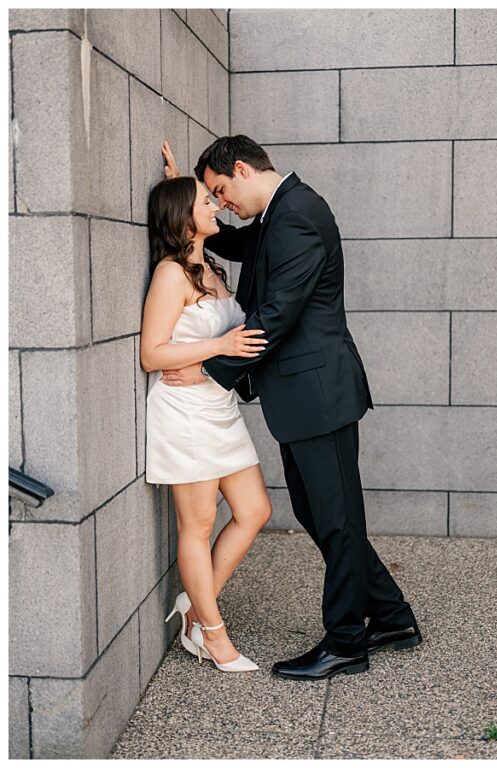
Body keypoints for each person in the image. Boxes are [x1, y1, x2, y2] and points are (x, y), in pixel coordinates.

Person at [159, 137, 420, 681]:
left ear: (241, 168)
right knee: (322, 512)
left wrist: (210, 368)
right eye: (213, 198)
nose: (222, 203)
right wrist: (188, 199)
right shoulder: (280, 210)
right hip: (306, 396)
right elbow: (236, 246)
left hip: (318, 394)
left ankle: (347, 640)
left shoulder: (296, 214)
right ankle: (392, 616)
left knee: (337, 517)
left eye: (221, 191)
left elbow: (278, 313)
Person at [141, 175, 272, 673]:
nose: (216, 204)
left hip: (218, 406)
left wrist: (179, 175)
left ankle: (195, 611)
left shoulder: (209, 267)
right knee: (197, 525)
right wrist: (217, 348)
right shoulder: (171, 274)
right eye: (205, 200)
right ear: (182, 217)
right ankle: (213, 636)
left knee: (255, 510)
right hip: (185, 411)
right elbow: (152, 353)